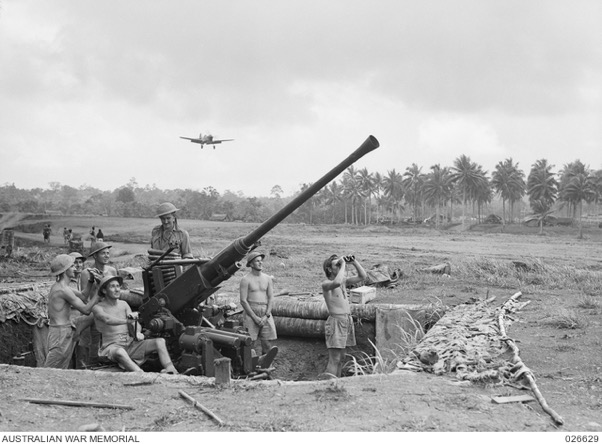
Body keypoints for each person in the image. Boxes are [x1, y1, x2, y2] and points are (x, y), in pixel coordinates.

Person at [92, 275, 178, 374]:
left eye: (118, 286)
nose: (117, 289)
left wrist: (137, 332)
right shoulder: (98, 308)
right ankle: (140, 373)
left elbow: (135, 323)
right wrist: (126, 321)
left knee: (160, 341)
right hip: (112, 347)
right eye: (112, 287)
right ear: (104, 291)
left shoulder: (124, 304)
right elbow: (107, 319)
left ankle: (170, 368)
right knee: (120, 352)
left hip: (131, 345)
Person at [44, 254, 101, 369]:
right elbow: (86, 310)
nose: (75, 268)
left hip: (63, 330)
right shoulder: (62, 290)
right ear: (65, 270)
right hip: (60, 333)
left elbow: (84, 296)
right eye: (72, 266)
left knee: (61, 369)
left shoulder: (63, 287)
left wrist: (90, 280)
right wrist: (99, 291)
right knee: (49, 371)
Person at [320, 254, 367, 379]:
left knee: (341, 358)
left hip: (346, 320)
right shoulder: (327, 284)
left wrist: (354, 262)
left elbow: (363, 276)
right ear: (329, 269)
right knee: (334, 358)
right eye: (337, 265)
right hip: (336, 322)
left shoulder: (343, 282)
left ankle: (338, 383)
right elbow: (337, 282)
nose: (341, 267)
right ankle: (328, 384)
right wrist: (344, 264)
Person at [239, 251, 278, 368]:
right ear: (251, 264)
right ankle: (251, 368)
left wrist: (266, 315)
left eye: (261, 260)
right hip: (251, 311)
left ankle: (267, 367)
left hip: (265, 311)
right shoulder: (246, 280)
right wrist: (254, 317)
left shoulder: (267, 278)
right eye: (257, 261)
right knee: (251, 343)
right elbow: (243, 301)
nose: (260, 263)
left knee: (267, 343)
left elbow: (271, 298)